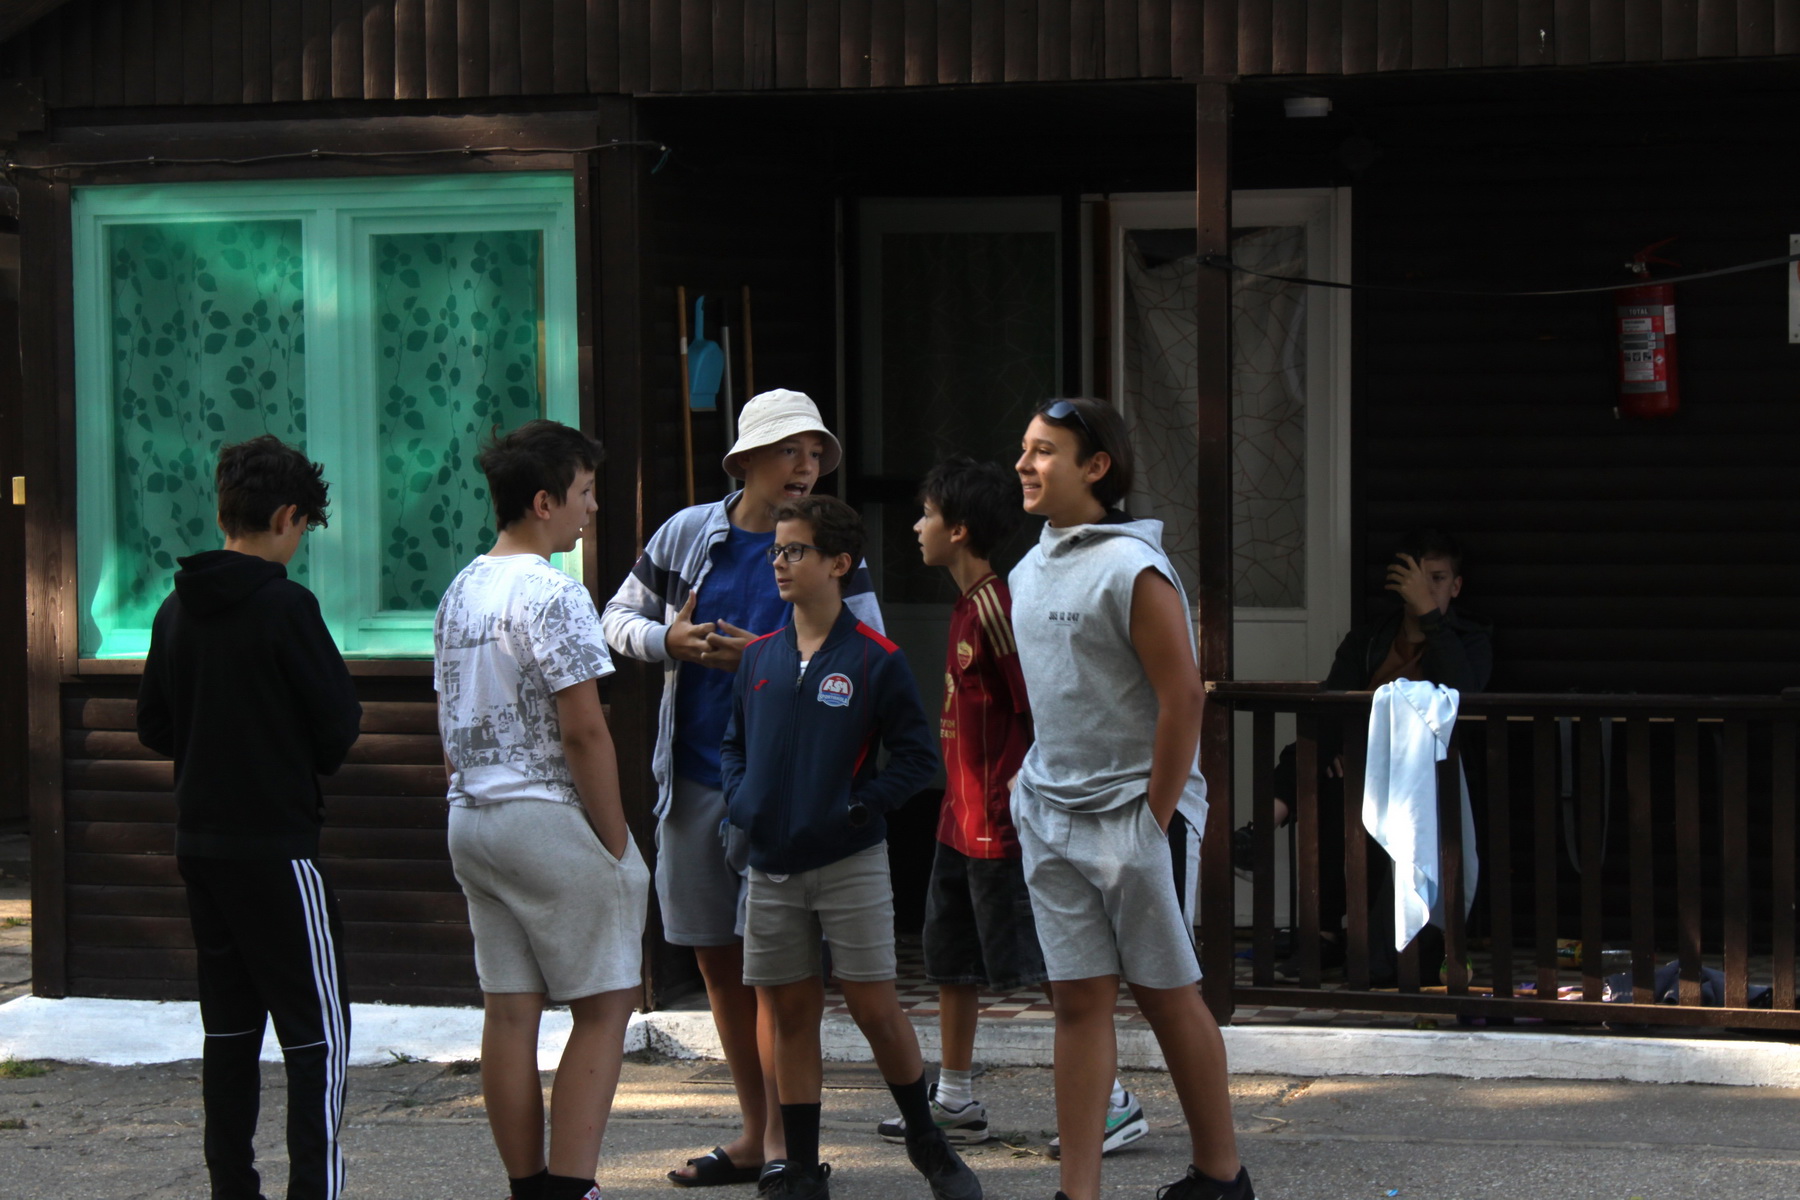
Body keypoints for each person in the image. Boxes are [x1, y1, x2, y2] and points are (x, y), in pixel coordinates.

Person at [601, 389, 882, 1187]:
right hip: (693, 780)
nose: (806, 466)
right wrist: (669, 639)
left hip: (787, 789)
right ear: (746, 459)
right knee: (720, 969)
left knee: (784, 978)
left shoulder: (830, 543)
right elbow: (613, 619)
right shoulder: (688, 534)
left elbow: (872, 654)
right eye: (790, 450)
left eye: (816, 453)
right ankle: (756, 1135)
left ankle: (791, 1145)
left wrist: (762, 655)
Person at [1008, 399, 1254, 1200]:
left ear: (1096, 467)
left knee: (1166, 997)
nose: (1024, 465)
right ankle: (1076, 1191)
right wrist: (1027, 791)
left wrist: (1154, 819)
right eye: (1024, 449)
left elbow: (1183, 698)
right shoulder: (1025, 570)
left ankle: (1221, 1179)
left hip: (1134, 821)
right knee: (1077, 1003)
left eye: (1044, 451)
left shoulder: (1133, 568)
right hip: (1051, 815)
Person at [875, 456, 1148, 1158]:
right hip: (956, 819)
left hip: (1005, 825)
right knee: (951, 963)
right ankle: (954, 1099)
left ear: (959, 530)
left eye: (927, 515)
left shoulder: (999, 607)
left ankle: (1113, 1101)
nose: (916, 528)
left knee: (1052, 969)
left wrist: (1029, 804)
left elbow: (1038, 708)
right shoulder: (965, 605)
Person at [722, 495, 979, 1200]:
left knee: (874, 1009)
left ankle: (927, 1140)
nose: (780, 562)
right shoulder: (759, 657)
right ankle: (802, 1167)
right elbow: (733, 745)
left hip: (850, 862)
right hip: (772, 866)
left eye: (795, 550)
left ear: (839, 563)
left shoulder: (875, 659)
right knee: (791, 1015)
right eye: (776, 551)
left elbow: (917, 759)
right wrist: (743, 802)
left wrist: (859, 806)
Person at [137, 435, 362, 1200]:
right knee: (317, 1035)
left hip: (201, 843)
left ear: (223, 511)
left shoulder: (175, 609)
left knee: (230, 1029)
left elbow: (154, 725)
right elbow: (337, 723)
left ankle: (232, 1188)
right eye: (305, 528)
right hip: (279, 847)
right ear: (288, 516)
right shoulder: (286, 606)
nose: (301, 543)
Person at [435, 419, 650, 1200]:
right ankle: (571, 1186)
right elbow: (584, 729)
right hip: (546, 818)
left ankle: (529, 1188)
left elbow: (449, 720)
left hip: (472, 819)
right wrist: (617, 843)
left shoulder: (460, 589)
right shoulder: (555, 592)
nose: (592, 509)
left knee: (509, 1011)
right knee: (607, 1003)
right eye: (585, 493)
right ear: (543, 501)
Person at [1234, 529, 1492, 979]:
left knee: (1331, 767)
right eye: (1417, 578)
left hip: (1427, 774)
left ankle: (1262, 829)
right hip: (1359, 760)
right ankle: (1318, 925)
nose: (1426, 588)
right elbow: (1335, 704)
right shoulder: (1370, 640)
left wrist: (1431, 618)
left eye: (1437, 579)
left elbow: (1462, 694)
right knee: (1318, 753)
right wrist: (1345, 749)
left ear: (1456, 586)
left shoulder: (1470, 640)